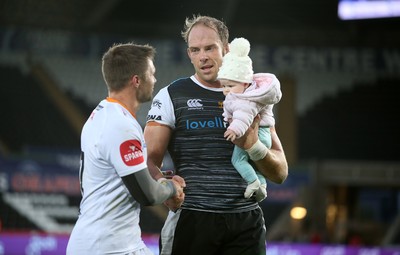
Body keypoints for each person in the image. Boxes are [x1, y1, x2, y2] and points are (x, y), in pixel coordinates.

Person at [145, 15, 288, 255]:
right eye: (195, 49)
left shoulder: (254, 94)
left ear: (227, 48)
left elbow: (281, 172)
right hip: (192, 218)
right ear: (189, 54)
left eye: (210, 47)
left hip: (246, 223)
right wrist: (163, 187)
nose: (203, 56)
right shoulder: (171, 95)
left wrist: (253, 146)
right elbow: (148, 160)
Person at [66, 42, 185, 255]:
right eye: (152, 74)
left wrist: (159, 179)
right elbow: (146, 195)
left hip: (102, 242)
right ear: (137, 80)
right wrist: (171, 188)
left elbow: (130, 176)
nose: (155, 80)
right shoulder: (121, 126)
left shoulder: (102, 114)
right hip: (109, 247)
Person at [217, 37, 282, 202]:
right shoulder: (244, 93)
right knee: (255, 165)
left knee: (238, 159)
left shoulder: (246, 99)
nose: (226, 90)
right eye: (223, 86)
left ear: (245, 83)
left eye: (230, 86)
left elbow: (243, 116)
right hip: (264, 134)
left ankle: (252, 182)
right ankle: (262, 186)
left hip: (258, 135)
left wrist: (234, 130)